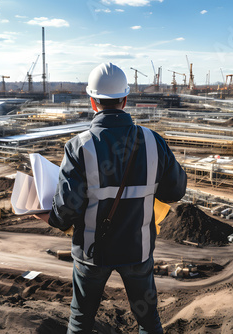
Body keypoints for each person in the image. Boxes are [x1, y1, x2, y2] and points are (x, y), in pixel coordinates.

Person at [47, 62, 187, 333]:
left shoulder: (78, 147)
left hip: (92, 253)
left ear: (92, 101)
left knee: (80, 322)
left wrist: (51, 215)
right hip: (138, 250)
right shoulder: (153, 142)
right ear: (125, 99)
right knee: (148, 321)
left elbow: (66, 209)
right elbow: (176, 191)